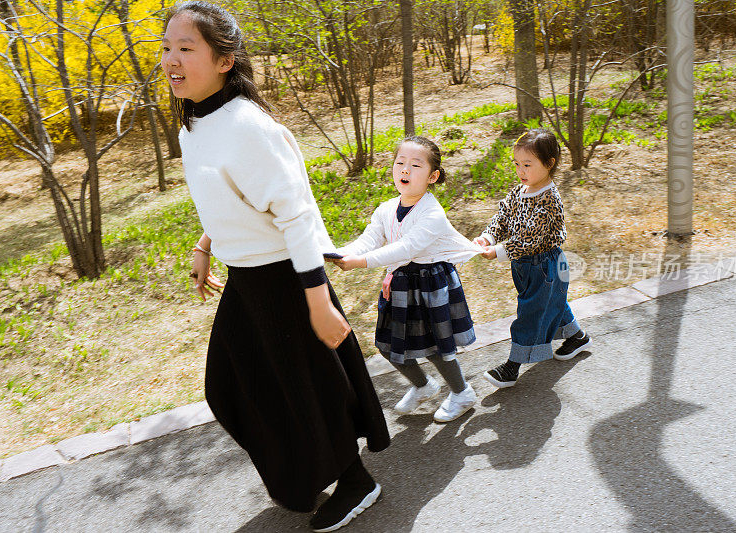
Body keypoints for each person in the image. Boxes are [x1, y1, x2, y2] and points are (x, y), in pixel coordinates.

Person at [161, 3, 389, 531]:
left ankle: (355, 481)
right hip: (246, 276)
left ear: (225, 59)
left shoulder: (247, 126)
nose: (172, 60)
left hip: (285, 278)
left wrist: (317, 302)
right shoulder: (194, 121)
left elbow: (297, 216)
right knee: (232, 385)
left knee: (307, 386)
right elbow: (233, 197)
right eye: (167, 48)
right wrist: (204, 244)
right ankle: (305, 469)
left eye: (187, 48)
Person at [331, 136, 482, 423]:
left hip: (431, 284)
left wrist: (358, 263)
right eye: (400, 162)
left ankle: (462, 392)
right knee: (387, 345)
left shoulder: (433, 213)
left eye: (415, 165)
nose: (405, 170)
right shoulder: (386, 209)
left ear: (432, 176)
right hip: (400, 284)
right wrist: (338, 253)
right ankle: (424, 386)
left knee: (436, 347)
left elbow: (406, 248)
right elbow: (369, 240)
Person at [473, 128, 592, 388]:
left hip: (545, 264)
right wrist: (488, 237)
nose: (521, 171)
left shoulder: (549, 199)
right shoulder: (520, 191)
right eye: (517, 164)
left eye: (527, 165)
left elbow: (531, 237)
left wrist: (498, 252)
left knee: (532, 312)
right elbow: (503, 215)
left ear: (549, 164)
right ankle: (578, 337)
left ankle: (512, 366)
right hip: (526, 265)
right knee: (551, 303)